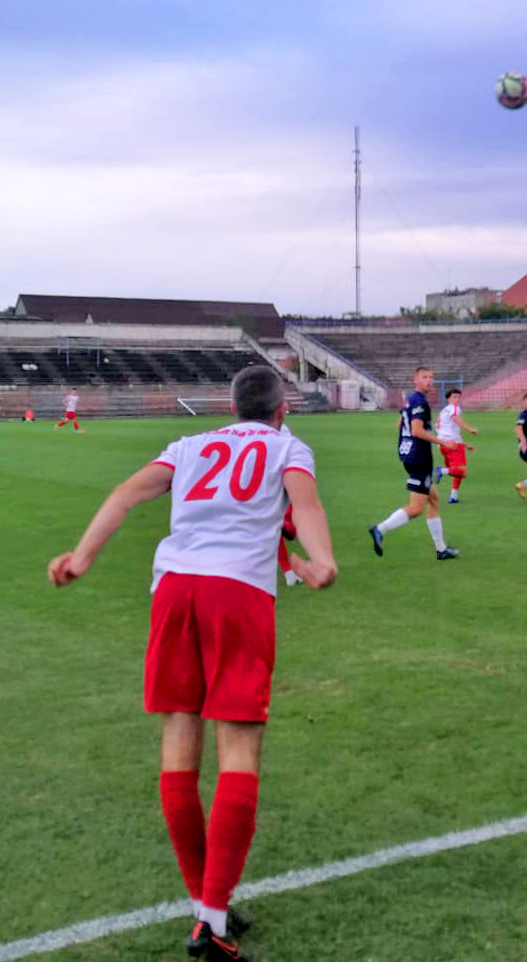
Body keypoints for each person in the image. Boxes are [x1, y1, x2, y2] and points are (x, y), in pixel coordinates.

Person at [47, 366, 336, 961]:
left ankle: (209, 909)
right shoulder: (287, 446)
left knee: (180, 743)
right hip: (236, 597)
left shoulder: (191, 445)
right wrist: (322, 558)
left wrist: (81, 557)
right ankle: (211, 919)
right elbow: (303, 503)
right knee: (238, 748)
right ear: (283, 408)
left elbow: (126, 494)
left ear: (233, 407)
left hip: (174, 590)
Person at [368, 367, 460, 560]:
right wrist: (443, 442)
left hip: (411, 455)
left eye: (431, 377)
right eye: (425, 377)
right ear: (415, 381)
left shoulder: (411, 400)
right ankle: (379, 529)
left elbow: (401, 423)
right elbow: (417, 431)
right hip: (419, 458)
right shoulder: (419, 402)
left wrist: (406, 439)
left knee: (434, 499)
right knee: (417, 508)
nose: (429, 381)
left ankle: (441, 549)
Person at [435, 388, 480, 504]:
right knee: (461, 471)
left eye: (458, 397)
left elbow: (448, 430)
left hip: (444, 445)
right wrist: (470, 429)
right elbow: (456, 419)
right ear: (448, 399)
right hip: (452, 444)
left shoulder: (443, 412)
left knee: (457, 471)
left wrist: (464, 445)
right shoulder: (453, 408)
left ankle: (453, 496)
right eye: (454, 396)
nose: (457, 399)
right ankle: (441, 471)